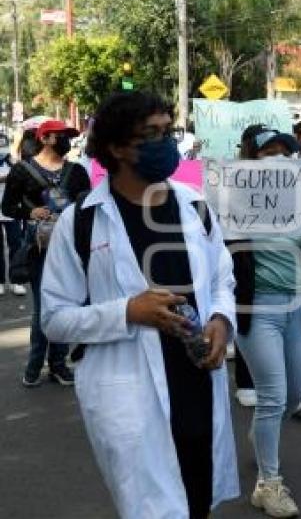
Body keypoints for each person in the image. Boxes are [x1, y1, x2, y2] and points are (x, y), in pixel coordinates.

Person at [40, 91, 238, 518]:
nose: (165, 143)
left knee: (198, 498)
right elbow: (54, 319)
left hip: (197, 379)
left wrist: (221, 319)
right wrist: (128, 311)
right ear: (115, 147)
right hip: (130, 393)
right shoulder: (83, 222)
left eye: (169, 131)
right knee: (153, 507)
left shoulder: (195, 205)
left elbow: (223, 275)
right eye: (151, 134)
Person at [232, 127, 301, 517]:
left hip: (299, 307)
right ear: (251, 160)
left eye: (285, 151)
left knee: (294, 393)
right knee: (271, 396)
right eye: (268, 151)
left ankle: (261, 433)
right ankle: (268, 485)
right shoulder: (233, 200)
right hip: (258, 310)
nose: (278, 158)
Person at [2, 119, 90, 387]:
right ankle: (34, 364)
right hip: (38, 249)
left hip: (70, 248)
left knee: (64, 304)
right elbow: (7, 208)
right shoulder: (21, 171)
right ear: (46, 138)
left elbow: (88, 206)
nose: (68, 141)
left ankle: (59, 365)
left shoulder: (76, 171)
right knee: (43, 306)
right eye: (63, 136)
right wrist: (30, 212)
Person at [0, 149, 26, 296]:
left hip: (12, 210)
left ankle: (16, 281)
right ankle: (0, 281)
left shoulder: (12, 162)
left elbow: (20, 178)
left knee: (15, 245)